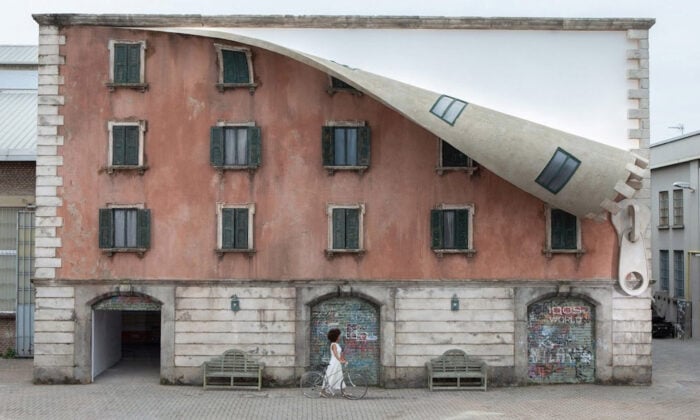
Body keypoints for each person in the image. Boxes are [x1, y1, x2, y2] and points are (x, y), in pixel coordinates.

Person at [322, 328, 346, 397]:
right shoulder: (333, 344)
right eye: (338, 335)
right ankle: (322, 391)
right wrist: (340, 360)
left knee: (340, 377)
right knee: (330, 377)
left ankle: (344, 392)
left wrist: (343, 360)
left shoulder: (336, 344)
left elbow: (339, 354)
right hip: (334, 363)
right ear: (336, 336)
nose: (339, 336)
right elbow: (335, 354)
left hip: (337, 363)